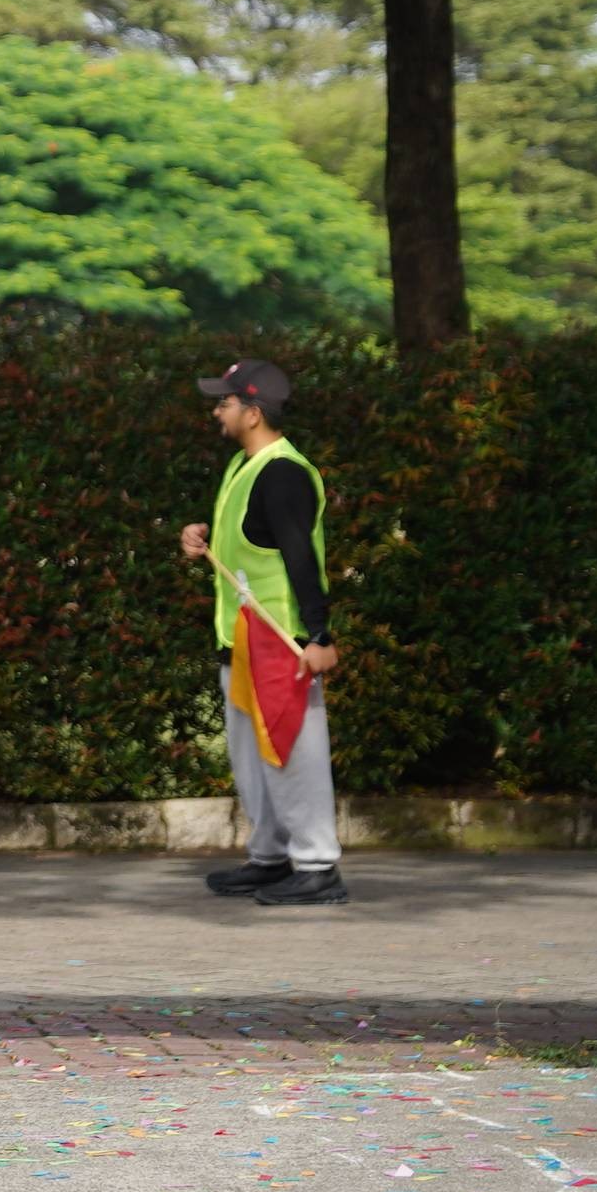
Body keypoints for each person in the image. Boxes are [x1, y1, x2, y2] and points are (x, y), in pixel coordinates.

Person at [177, 358, 346, 906]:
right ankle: (271, 858)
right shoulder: (243, 466)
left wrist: (319, 635)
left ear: (252, 413)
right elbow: (253, 540)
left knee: (292, 753)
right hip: (243, 642)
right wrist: (201, 537)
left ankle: (318, 867)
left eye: (224, 403)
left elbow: (300, 557)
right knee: (253, 760)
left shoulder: (283, 474)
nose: (216, 411)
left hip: (281, 644)